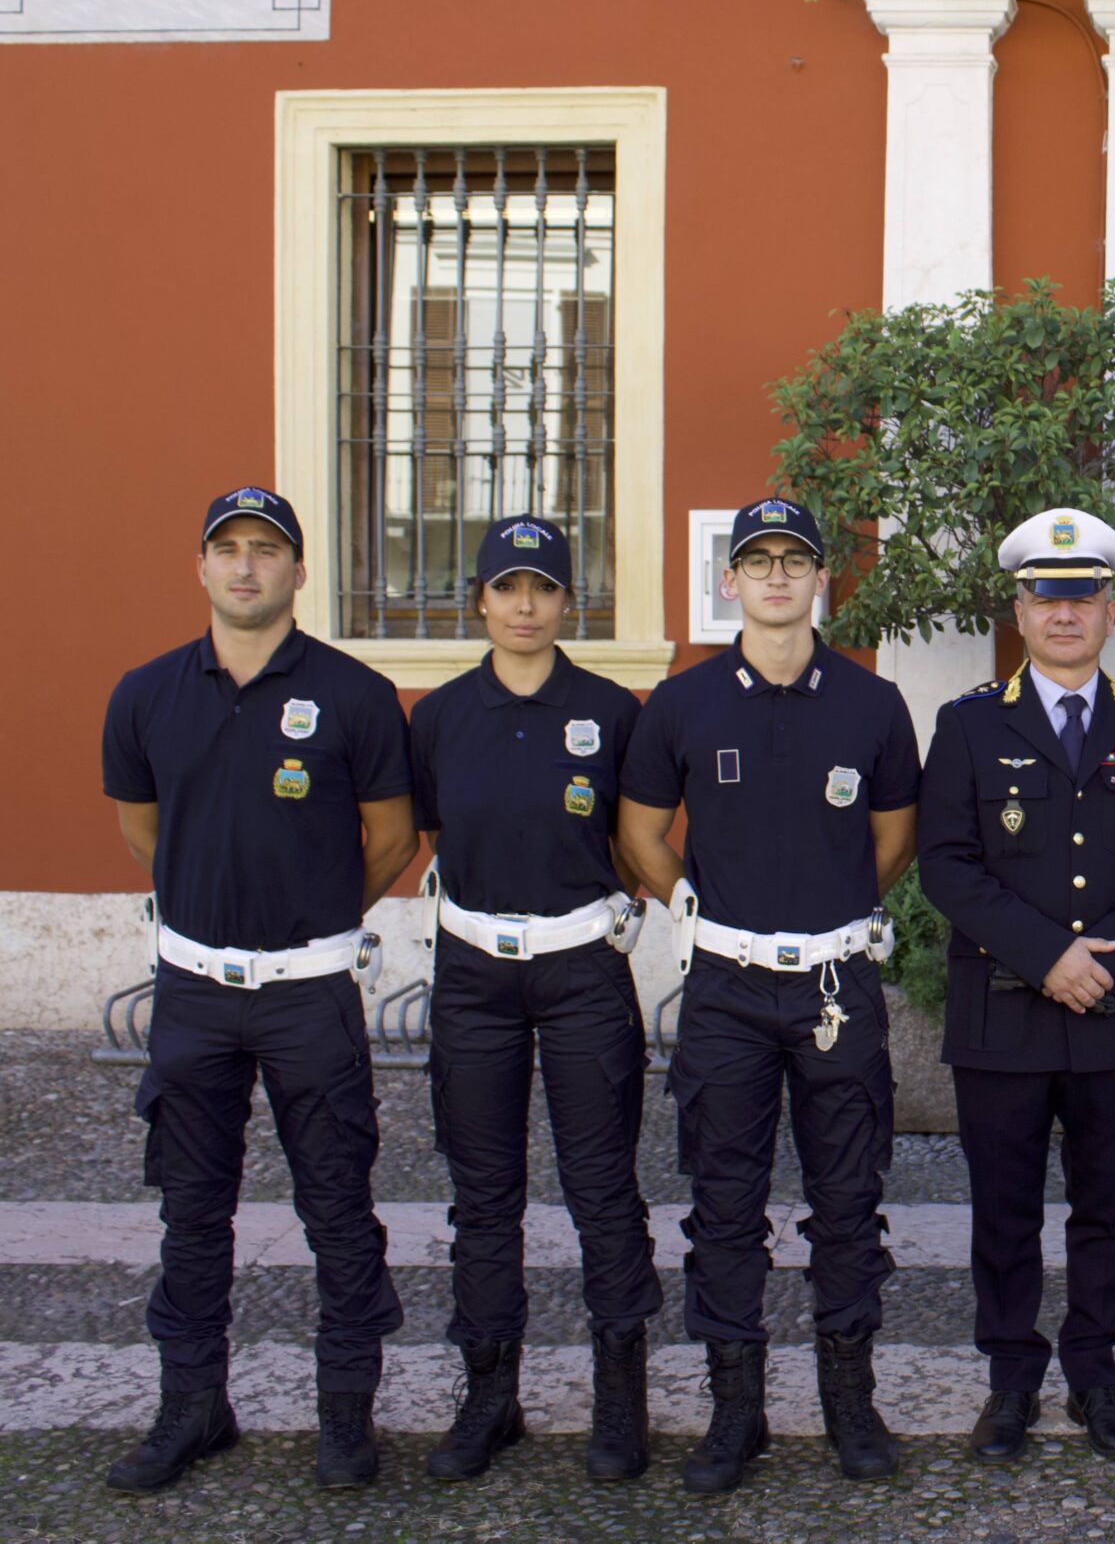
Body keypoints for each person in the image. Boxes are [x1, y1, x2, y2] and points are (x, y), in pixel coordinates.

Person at [100, 486, 415, 1492]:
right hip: (191, 992)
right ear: (200, 566)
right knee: (192, 1212)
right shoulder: (144, 694)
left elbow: (395, 837)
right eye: (227, 549)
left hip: (307, 993)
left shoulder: (356, 694)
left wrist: (315, 911)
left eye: (266, 550)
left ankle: (344, 1418)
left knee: (336, 1205)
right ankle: (192, 1407)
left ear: (299, 570)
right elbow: (143, 829)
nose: (246, 567)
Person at [617, 497, 918, 1492]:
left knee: (847, 1198)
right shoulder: (683, 703)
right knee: (724, 1200)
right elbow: (640, 833)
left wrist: (826, 914)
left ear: (820, 578)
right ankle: (733, 1410)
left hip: (836, 982)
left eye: (795, 560)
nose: (778, 577)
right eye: (759, 562)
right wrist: (694, 911)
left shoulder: (871, 705)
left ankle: (849, 1401)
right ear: (731, 583)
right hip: (726, 991)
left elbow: (892, 839)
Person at [919, 508, 1115, 1462]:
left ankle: (1094, 1373)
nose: (1065, 613)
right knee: (1002, 1209)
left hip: (1112, 1014)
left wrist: (1108, 958)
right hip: (1003, 1013)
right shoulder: (968, 726)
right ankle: (1010, 1381)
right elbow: (948, 866)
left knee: (1107, 1205)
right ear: (1020, 608)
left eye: (1083, 595)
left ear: (1110, 609)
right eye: (1048, 595)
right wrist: (1047, 957)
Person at [406, 517, 657, 1481]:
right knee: (483, 1194)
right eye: (506, 588)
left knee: (602, 1190)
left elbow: (636, 841)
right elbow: (429, 831)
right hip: (473, 975)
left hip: (583, 969)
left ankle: (619, 1399)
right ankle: (488, 1394)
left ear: (566, 603)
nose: (523, 606)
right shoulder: (437, 717)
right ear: (479, 599)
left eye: (542, 588)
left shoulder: (613, 711)